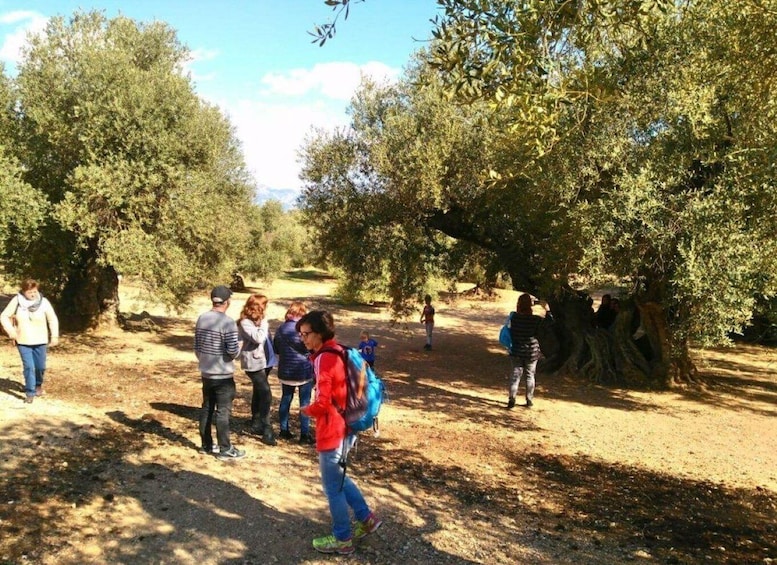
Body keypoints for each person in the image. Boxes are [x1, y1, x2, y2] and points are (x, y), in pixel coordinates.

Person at [298, 310, 382, 555]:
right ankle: (367, 519)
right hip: (348, 424)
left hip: (333, 429)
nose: (303, 338)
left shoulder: (325, 358)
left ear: (320, 333)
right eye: (301, 334)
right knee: (340, 478)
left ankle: (342, 538)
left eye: (306, 334)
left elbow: (323, 402)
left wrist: (307, 410)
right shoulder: (340, 349)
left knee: (332, 487)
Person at [194, 285, 245, 460]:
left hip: (206, 372)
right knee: (223, 412)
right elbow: (232, 351)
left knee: (207, 408)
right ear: (227, 302)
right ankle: (225, 449)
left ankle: (206, 445)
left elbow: (197, 346)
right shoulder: (228, 322)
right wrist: (239, 347)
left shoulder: (202, 318)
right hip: (223, 375)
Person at [0, 278, 59, 404]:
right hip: (23, 340)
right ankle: (30, 392)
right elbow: (4, 316)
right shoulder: (17, 301)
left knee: (40, 367)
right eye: (29, 292)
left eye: (34, 291)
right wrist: (11, 331)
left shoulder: (44, 302)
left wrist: (54, 336)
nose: (33, 294)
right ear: (23, 291)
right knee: (29, 367)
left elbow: (52, 319)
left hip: (40, 340)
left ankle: (38, 385)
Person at [273, 301, 315, 445]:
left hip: (286, 371)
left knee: (285, 400)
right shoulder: (303, 330)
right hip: (303, 371)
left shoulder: (280, 329)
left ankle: (284, 430)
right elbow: (309, 348)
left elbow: (276, 349)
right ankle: (304, 435)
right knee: (305, 403)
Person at [237, 293, 277, 446]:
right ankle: (267, 429)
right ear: (258, 307)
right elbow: (258, 338)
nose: (266, 308)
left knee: (259, 391)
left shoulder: (259, 321)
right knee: (265, 392)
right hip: (254, 363)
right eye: (265, 305)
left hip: (266, 361)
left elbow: (267, 340)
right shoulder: (245, 322)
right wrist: (265, 323)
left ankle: (256, 422)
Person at [507, 293, 552, 409]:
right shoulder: (535, 319)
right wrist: (547, 310)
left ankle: (512, 399)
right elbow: (549, 324)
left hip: (516, 350)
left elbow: (510, 332)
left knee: (515, 376)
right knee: (530, 376)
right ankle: (529, 400)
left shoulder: (514, 318)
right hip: (531, 352)